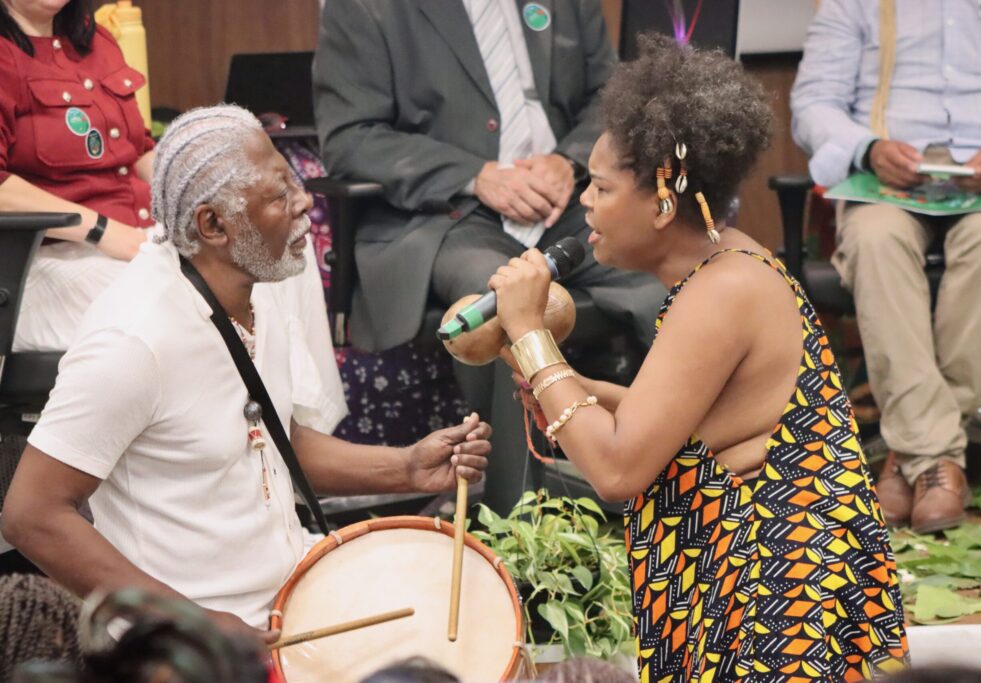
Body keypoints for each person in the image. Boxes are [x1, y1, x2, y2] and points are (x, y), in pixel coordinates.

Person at [489, 37, 908, 681]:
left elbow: (619, 469)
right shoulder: (725, 265)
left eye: (601, 187)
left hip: (777, 605)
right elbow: (683, 425)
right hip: (761, 583)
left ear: (663, 199)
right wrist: (575, 388)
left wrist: (528, 333)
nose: (585, 202)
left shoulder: (723, 290)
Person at [0, 105, 491, 644]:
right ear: (213, 225)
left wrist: (405, 467)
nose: (305, 202)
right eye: (280, 196)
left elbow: (271, 441)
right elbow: (31, 515)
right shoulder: (131, 341)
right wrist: (192, 624)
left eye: (294, 182)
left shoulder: (256, 284)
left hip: (290, 600)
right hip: (189, 651)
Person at [313, 0, 665, 507]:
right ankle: (518, 519)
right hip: (444, 213)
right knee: (503, 300)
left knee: (668, 275)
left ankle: (700, 468)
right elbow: (351, 139)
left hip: (565, 203)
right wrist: (475, 175)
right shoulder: (366, 7)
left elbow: (611, 97)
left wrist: (568, 161)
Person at [0, 0, 344, 434]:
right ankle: (278, 438)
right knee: (212, 281)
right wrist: (105, 232)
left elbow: (140, 150)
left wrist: (214, 190)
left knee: (280, 240)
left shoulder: (95, 41)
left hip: (139, 236)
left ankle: (306, 430)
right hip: (44, 260)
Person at [790, 0, 981, 533]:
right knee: (875, 240)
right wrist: (868, 148)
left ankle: (911, 456)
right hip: (887, 182)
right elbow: (813, 102)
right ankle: (938, 462)